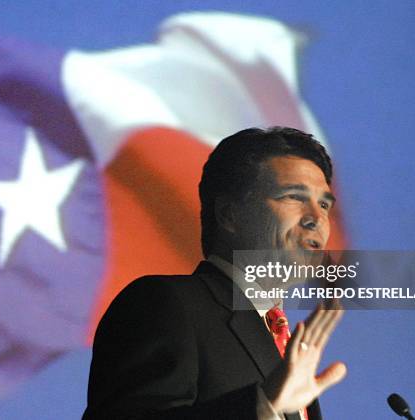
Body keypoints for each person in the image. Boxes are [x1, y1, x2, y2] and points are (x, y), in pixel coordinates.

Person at [83, 127, 347, 419]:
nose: (317, 219)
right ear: (229, 215)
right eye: (294, 197)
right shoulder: (164, 304)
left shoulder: (284, 343)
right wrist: (261, 407)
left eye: (324, 204)